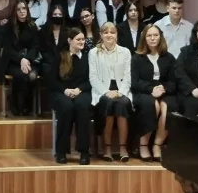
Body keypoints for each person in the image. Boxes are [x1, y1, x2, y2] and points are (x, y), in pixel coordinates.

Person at [45, 27, 92, 165]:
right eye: (78, 39)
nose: (82, 42)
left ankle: (84, 151)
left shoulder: (88, 57)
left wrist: (79, 89)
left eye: (83, 39)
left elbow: (92, 80)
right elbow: (51, 80)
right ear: (70, 40)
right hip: (60, 92)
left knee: (82, 106)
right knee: (66, 107)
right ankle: (61, 151)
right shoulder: (59, 56)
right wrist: (65, 90)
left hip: (82, 91)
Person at [131, 24, 176, 161]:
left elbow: (174, 81)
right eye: (149, 35)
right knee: (152, 105)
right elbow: (135, 82)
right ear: (144, 38)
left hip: (165, 92)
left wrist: (163, 88)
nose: (152, 38)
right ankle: (143, 144)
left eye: (155, 35)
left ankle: (157, 145)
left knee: (167, 107)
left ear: (160, 37)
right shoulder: (137, 58)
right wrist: (151, 89)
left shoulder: (169, 58)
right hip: (143, 92)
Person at [89, 22, 133, 162]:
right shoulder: (93, 52)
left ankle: (123, 147)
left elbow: (127, 76)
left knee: (122, 103)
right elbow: (93, 77)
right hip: (102, 90)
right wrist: (106, 92)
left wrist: (121, 92)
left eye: (112, 32)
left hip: (121, 89)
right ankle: (107, 147)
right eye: (106, 32)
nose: (109, 35)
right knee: (108, 103)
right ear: (101, 35)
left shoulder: (125, 52)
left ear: (116, 35)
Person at [0, 0, 41, 116]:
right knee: (20, 74)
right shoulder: (8, 27)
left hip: (29, 60)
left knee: (31, 76)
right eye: (18, 9)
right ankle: (14, 101)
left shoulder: (32, 26)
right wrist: (21, 59)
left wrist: (27, 59)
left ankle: (27, 103)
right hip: (12, 61)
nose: (22, 11)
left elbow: (35, 46)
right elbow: (7, 49)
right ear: (15, 12)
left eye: (24, 8)